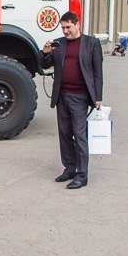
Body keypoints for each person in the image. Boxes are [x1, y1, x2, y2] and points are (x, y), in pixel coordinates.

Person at [40, 11, 103, 189]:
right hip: (62, 95)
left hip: (80, 97)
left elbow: (98, 72)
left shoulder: (92, 43)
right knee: (65, 134)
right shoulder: (59, 44)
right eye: (63, 28)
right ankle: (69, 169)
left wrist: (98, 97)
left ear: (77, 24)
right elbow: (45, 65)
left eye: (68, 27)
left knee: (79, 135)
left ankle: (82, 175)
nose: (65, 31)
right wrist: (45, 53)